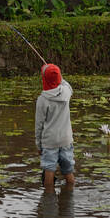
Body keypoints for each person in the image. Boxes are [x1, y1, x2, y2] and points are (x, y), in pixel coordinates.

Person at [35, 63, 75, 193]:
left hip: (49, 141)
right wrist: (59, 77)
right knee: (68, 169)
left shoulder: (42, 99)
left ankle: (48, 200)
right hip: (66, 139)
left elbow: (39, 125)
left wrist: (38, 145)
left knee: (49, 169)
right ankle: (70, 193)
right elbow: (66, 84)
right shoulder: (66, 92)